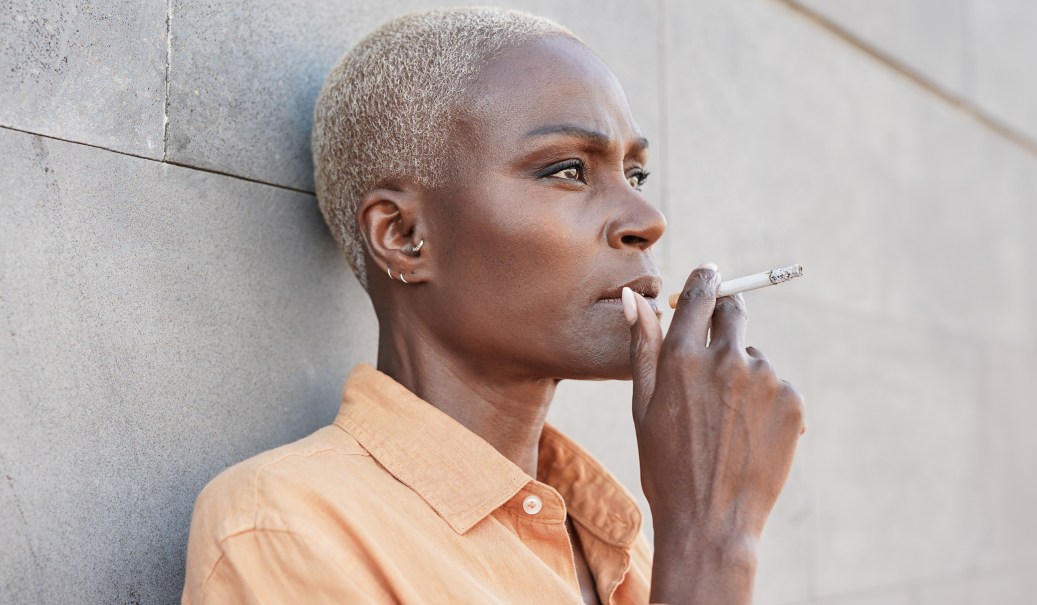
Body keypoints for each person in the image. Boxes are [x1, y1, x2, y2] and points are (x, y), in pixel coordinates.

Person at [181, 7, 805, 605]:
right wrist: (712, 540)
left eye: (634, 175)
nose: (648, 219)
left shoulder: (616, 537)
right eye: (567, 170)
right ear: (402, 234)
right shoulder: (288, 527)